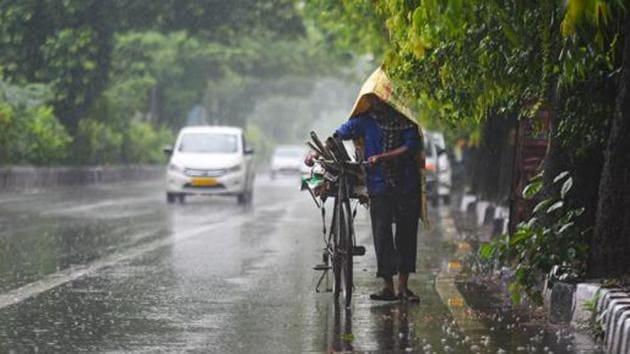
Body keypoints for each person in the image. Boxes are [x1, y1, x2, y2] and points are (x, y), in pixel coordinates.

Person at [306, 94, 423, 302]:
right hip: (379, 185)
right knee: (382, 233)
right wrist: (318, 151)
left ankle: (403, 286)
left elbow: (410, 147)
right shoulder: (366, 121)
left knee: (407, 234)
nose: (376, 104)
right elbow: (340, 134)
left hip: (407, 184)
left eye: (380, 100)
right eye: (373, 101)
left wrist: (383, 157)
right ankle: (388, 286)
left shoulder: (407, 122)